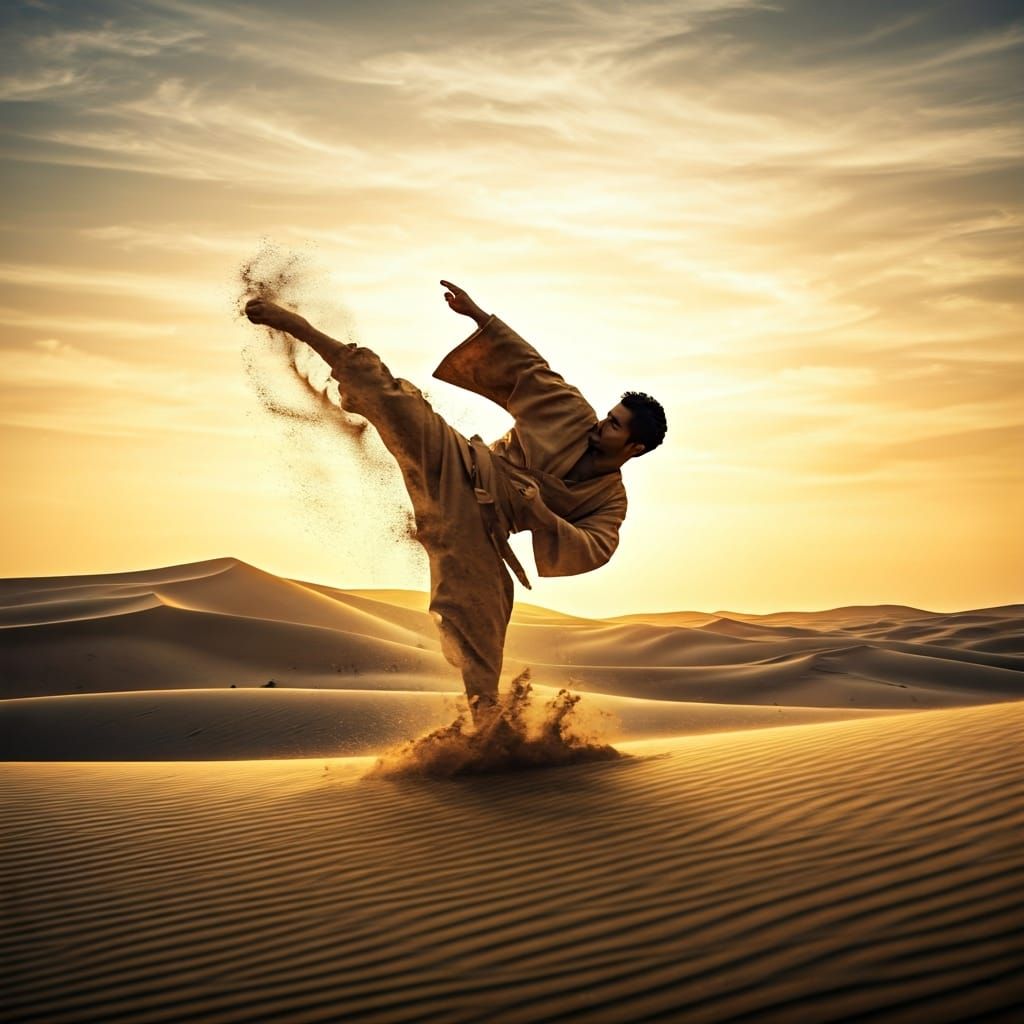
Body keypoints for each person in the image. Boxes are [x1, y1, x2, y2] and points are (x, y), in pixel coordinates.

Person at [244, 281, 667, 723]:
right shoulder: (572, 413)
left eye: (614, 426)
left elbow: (597, 544)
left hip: (481, 529)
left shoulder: (610, 499)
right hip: (461, 463)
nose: (600, 424)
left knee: (488, 607)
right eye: (607, 415)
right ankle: (302, 330)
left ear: (634, 447)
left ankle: (485, 721)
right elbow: (530, 367)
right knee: (399, 401)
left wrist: (542, 515)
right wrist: (478, 316)